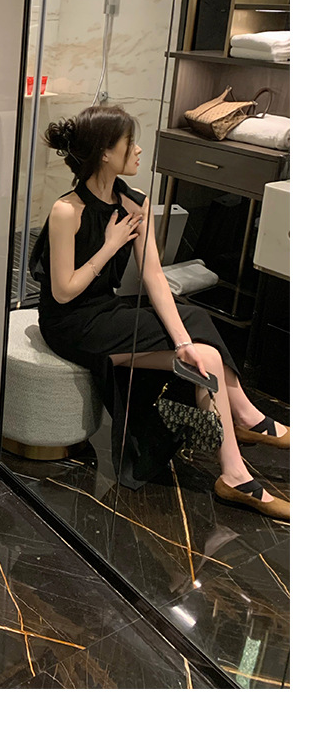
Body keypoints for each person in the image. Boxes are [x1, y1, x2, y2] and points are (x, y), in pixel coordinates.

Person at [28, 103, 289, 520]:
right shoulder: (67, 210)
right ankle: (246, 420)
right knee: (199, 337)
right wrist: (110, 245)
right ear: (105, 153)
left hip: (105, 309)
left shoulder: (136, 203)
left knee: (203, 350)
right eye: (129, 142)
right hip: (72, 323)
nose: (138, 150)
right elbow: (63, 293)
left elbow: (153, 275)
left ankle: (235, 474)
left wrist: (183, 343)